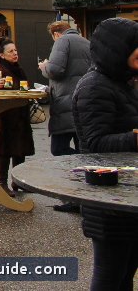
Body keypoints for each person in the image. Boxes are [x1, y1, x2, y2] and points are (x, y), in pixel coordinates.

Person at [72, 17, 138, 291]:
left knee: (125, 270)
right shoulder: (95, 86)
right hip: (108, 197)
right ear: (118, 49)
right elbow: (95, 144)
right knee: (110, 274)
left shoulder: (121, 81)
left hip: (124, 191)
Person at [0, 38, 35, 196]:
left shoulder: (16, 68)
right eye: (11, 51)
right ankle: (2, 182)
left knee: (19, 148)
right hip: (5, 115)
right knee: (5, 149)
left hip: (19, 112)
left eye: (15, 50)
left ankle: (18, 180)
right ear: (1, 54)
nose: (15, 54)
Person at [39, 21, 90, 157]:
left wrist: (45, 66)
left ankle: (75, 168)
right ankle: (80, 174)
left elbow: (55, 70)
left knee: (59, 149)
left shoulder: (62, 40)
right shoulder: (86, 42)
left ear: (56, 34)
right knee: (82, 148)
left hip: (65, 103)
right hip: (84, 101)